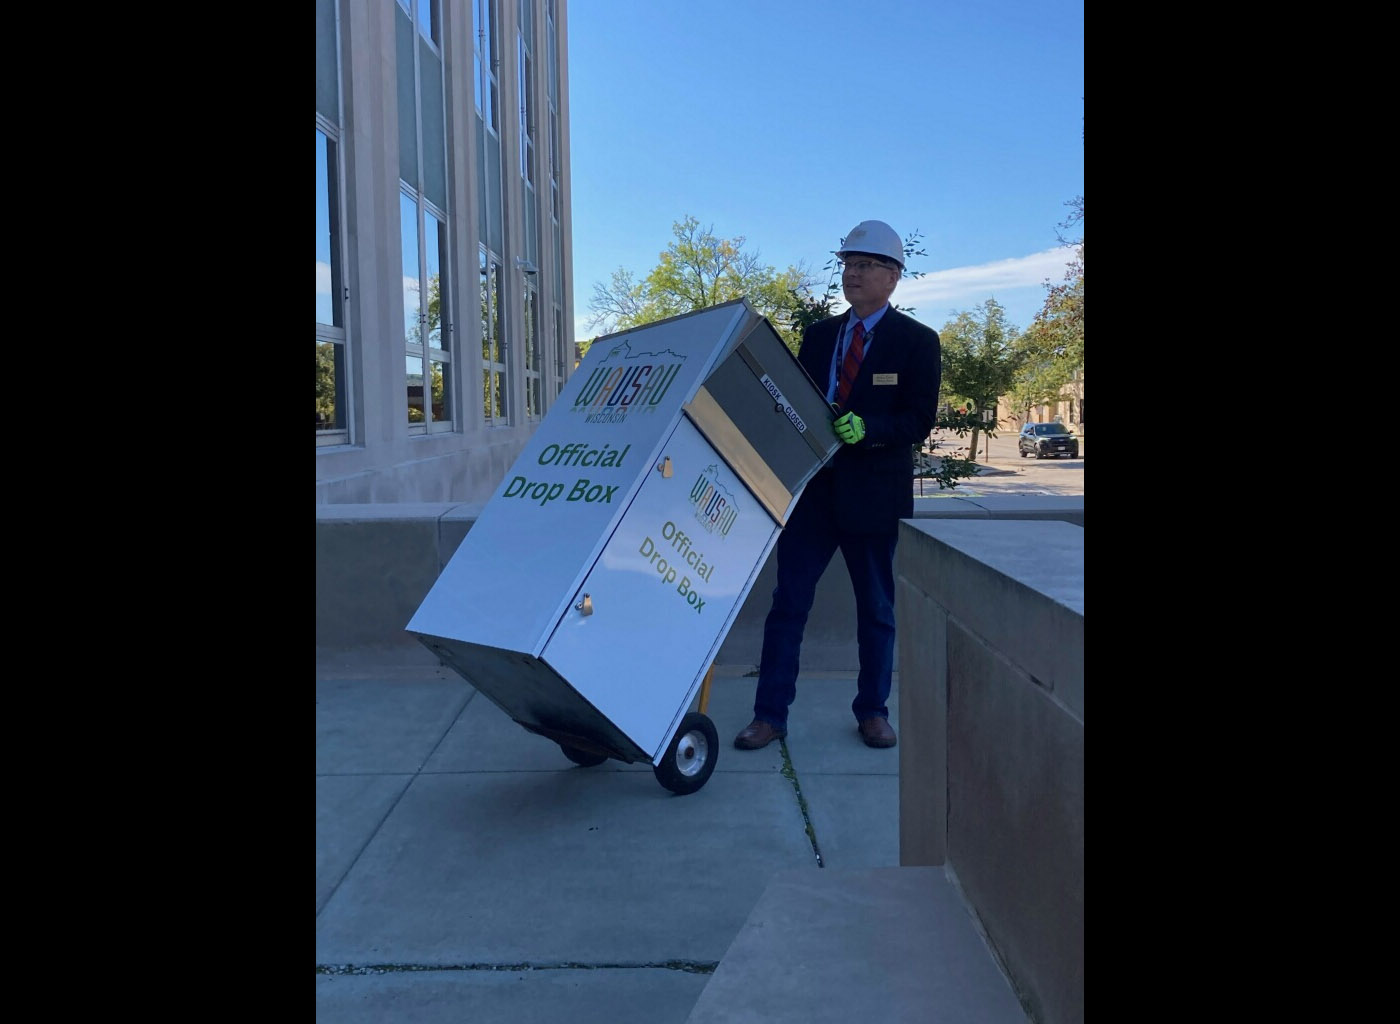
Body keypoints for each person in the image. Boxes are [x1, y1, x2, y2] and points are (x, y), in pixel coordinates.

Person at [733, 220, 941, 751]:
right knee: (789, 604)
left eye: (866, 265)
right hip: (814, 495)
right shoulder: (821, 336)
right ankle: (770, 714)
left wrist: (869, 430)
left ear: (893, 277)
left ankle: (873, 710)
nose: (853, 273)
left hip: (873, 496)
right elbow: (794, 404)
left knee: (875, 609)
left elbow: (918, 419)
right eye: (849, 263)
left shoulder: (917, 342)